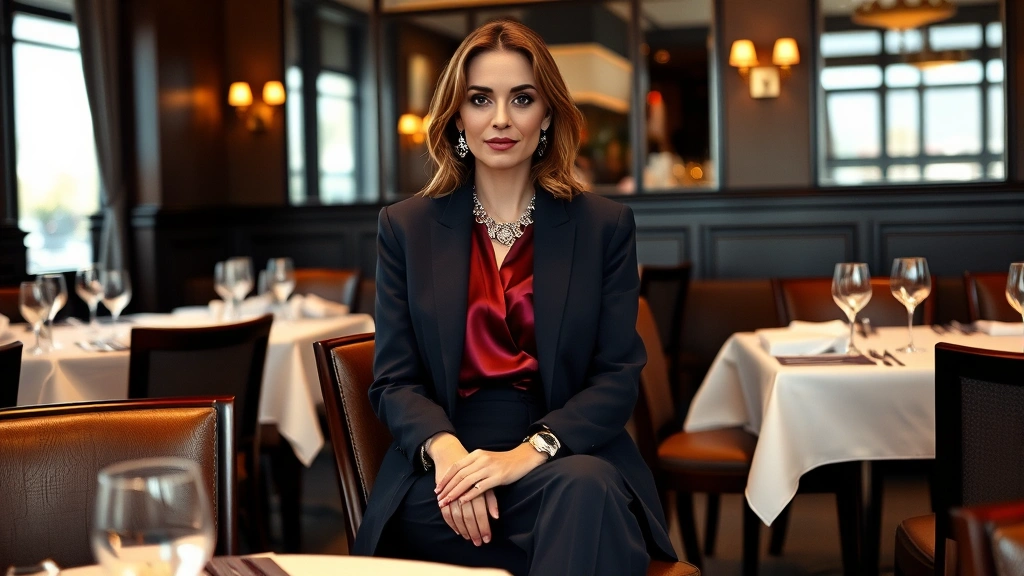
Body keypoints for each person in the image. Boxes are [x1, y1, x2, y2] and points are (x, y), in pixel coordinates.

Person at [355, 18, 677, 576]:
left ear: (547, 115)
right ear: (457, 114)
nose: (500, 119)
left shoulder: (604, 226)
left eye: (521, 99)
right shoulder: (405, 227)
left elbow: (617, 378)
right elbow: (394, 381)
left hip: (564, 454)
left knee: (584, 493)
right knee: (591, 522)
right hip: (442, 474)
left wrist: (523, 457)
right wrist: (453, 459)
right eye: (480, 99)